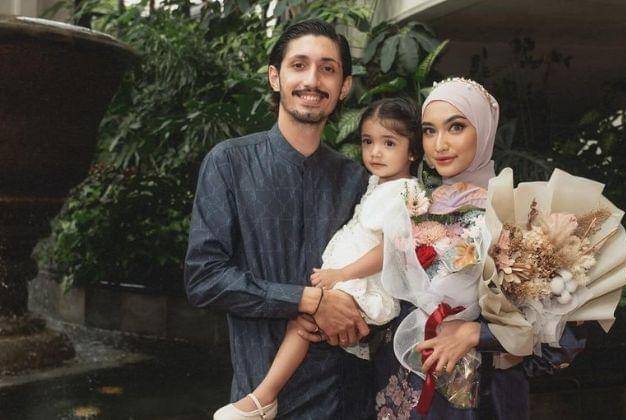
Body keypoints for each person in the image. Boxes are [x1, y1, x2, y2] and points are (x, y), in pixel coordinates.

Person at [184, 19, 374, 419]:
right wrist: (306, 300)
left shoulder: (356, 179)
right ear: (275, 77)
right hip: (258, 397)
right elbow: (204, 278)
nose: (312, 80)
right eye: (299, 65)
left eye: (327, 69)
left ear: (344, 86)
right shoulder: (229, 163)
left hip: (343, 396)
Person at [373, 78, 587, 419]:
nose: (440, 144)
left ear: (485, 131)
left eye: (456, 127)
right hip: (406, 387)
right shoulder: (410, 204)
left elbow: (562, 330)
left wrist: (478, 333)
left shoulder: (520, 213)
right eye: (429, 131)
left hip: (487, 396)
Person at [213, 97, 423, 419]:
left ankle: (262, 398)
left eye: (389, 143)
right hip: (349, 278)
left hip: (363, 280)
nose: (375, 152)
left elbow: (391, 251)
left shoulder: (407, 194)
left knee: (304, 326)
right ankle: (263, 398)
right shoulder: (375, 183)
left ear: (412, 151)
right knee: (305, 324)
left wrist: (342, 274)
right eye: (368, 142)